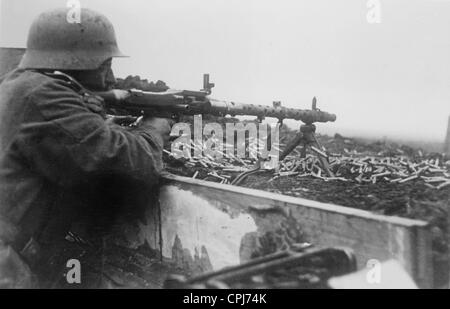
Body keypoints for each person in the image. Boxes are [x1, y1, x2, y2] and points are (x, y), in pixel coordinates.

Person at [0, 7, 173, 288]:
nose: (111, 79)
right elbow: (131, 164)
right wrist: (154, 129)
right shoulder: (45, 96)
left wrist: (100, 122)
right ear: (77, 62)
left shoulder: (18, 85)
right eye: (105, 65)